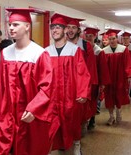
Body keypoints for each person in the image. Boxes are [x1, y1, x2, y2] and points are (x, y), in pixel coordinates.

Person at [0, 8, 54, 155]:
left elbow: (47, 87)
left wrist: (34, 109)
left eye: (15, 24)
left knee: (29, 147)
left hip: (29, 114)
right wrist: (2, 110)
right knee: (7, 147)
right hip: (9, 113)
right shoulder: (6, 52)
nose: (10, 28)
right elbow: (2, 86)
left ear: (27, 26)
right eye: (10, 24)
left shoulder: (39, 53)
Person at [45, 13, 91, 155]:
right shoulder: (46, 51)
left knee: (72, 124)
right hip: (52, 97)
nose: (55, 30)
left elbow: (82, 73)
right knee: (53, 125)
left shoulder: (74, 50)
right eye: (52, 27)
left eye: (58, 27)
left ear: (65, 30)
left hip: (70, 96)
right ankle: (56, 147)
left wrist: (83, 93)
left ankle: (76, 145)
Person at [66, 16, 98, 143]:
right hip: (66, 84)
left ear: (78, 30)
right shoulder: (60, 44)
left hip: (81, 84)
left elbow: (90, 68)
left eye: (74, 27)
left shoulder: (85, 45)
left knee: (81, 111)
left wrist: (88, 87)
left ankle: (78, 138)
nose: (70, 30)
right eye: (68, 27)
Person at [102, 29, 131, 125]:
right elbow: (103, 67)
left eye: (113, 38)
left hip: (120, 77)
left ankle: (119, 113)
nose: (112, 41)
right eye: (110, 39)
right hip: (109, 78)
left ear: (117, 38)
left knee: (119, 96)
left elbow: (128, 63)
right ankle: (111, 117)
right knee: (109, 98)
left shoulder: (123, 49)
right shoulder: (104, 51)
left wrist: (129, 76)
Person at [83, 27, 110, 129]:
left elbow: (102, 68)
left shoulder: (98, 51)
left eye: (91, 36)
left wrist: (102, 83)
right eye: (87, 36)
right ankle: (84, 120)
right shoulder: (81, 49)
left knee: (93, 101)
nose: (89, 38)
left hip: (94, 81)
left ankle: (92, 119)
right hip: (83, 81)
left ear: (95, 37)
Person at [121, 32, 131, 98]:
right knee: (122, 80)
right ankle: (125, 91)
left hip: (130, 66)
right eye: (124, 38)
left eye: (127, 38)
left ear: (129, 39)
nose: (125, 40)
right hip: (122, 66)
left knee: (129, 80)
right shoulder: (120, 47)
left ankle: (129, 90)